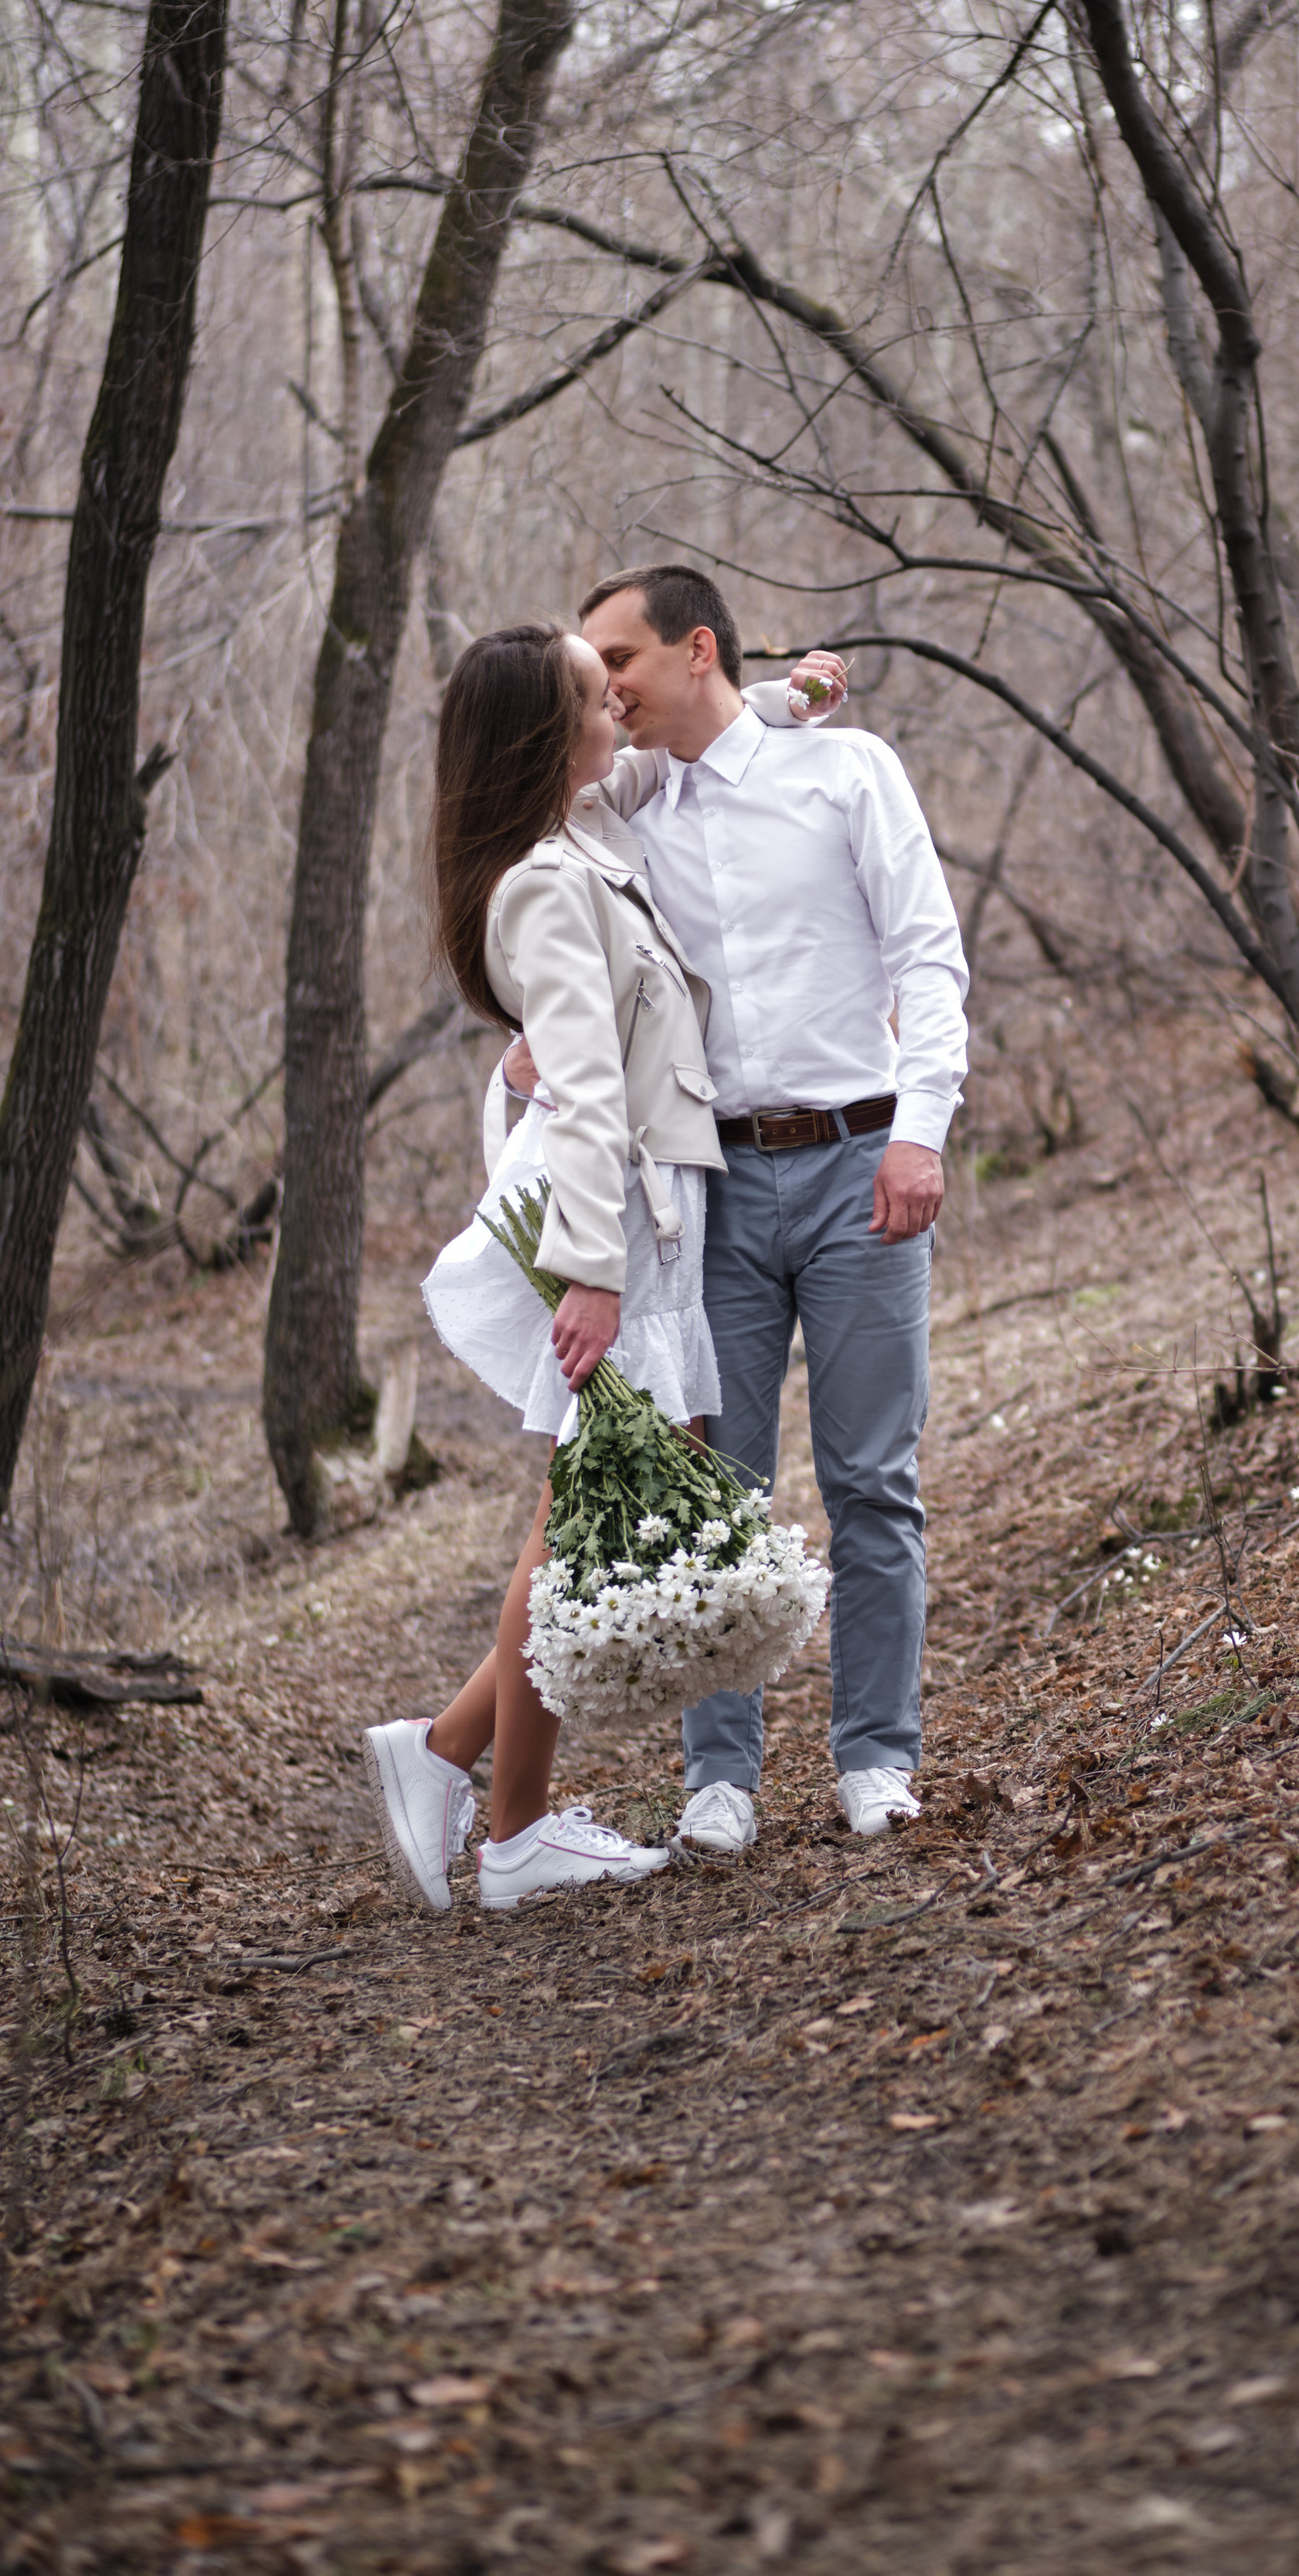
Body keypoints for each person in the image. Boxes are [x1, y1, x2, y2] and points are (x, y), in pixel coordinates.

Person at [363, 624, 839, 1914]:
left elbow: (683, 744)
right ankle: (506, 1826)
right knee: (580, 1508)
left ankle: (456, 1760)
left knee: (596, 1497)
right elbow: (579, 1096)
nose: (616, 704)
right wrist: (591, 1273)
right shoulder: (541, 883)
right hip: (605, 1218)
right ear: (549, 731)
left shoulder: (584, 829)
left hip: (640, 1212)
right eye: (593, 693)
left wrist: (787, 700)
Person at [565, 562, 969, 1853]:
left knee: (871, 1482)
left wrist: (920, 1135)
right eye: (592, 671)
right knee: (716, 1490)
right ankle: (720, 1780)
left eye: (618, 660)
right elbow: (539, 862)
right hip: (712, 1193)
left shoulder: (848, 772)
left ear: (696, 650)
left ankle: (876, 1762)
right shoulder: (624, 805)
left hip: (861, 1167)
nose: (604, 688)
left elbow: (927, 954)